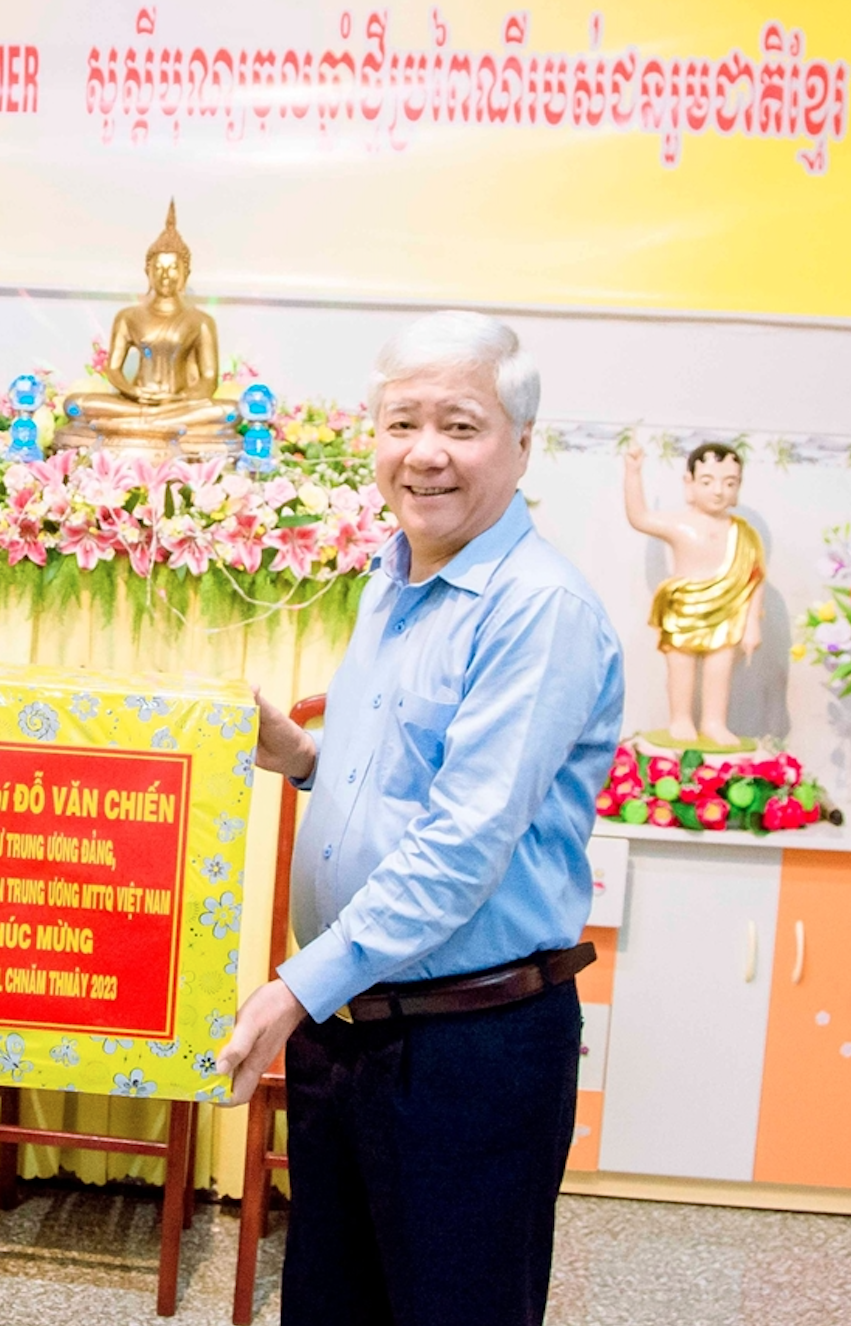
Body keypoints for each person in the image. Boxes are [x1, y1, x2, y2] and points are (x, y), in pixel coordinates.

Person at [217, 310, 623, 1325]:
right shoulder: (393, 578)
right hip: (352, 1034)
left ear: (521, 444)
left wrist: (291, 990)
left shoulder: (537, 610)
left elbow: (459, 849)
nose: (424, 453)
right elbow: (410, 787)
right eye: (401, 423)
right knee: (332, 1304)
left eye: (459, 425)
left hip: (467, 1050)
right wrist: (303, 758)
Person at [623, 440, 764, 746]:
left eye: (729, 483)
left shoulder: (744, 533)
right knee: (681, 670)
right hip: (683, 611)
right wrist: (633, 472)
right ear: (689, 483)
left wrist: (752, 623)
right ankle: (680, 719)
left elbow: (754, 578)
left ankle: (714, 722)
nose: (718, 491)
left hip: (726, 613)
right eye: (707, 481)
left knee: (719, 671)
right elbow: (640, 517)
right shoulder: (679, 524)